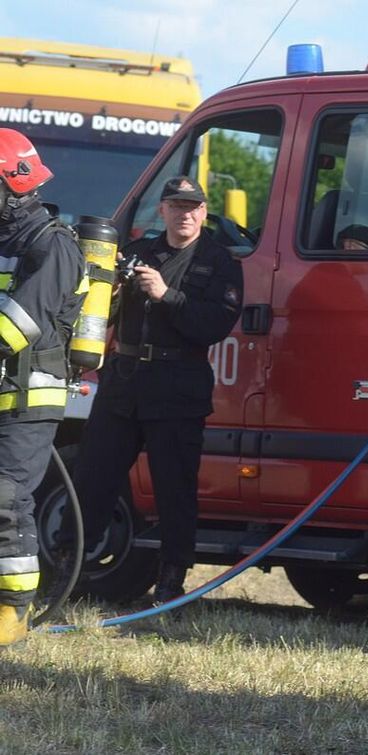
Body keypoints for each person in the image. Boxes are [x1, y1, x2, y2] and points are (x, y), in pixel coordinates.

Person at [70, 176, 243, 604]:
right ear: (162, 210)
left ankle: (171, 585)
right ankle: (68, 573)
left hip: (177, 386)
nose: (184, 214)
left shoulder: (219, 262)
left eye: (192, 207)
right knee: (93, 479)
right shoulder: (138, 253)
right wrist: (109, 290)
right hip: (124, 380)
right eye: (176, 206)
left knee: (174, 490)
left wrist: (167, 295)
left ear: (204, 212)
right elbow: (99, 311)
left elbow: (215, 325)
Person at [0, 129, 86, 645]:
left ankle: (12, 610)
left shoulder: (54, 246)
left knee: (6, 498)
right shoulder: (9, 245)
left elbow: (18, 323)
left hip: (32, 396)